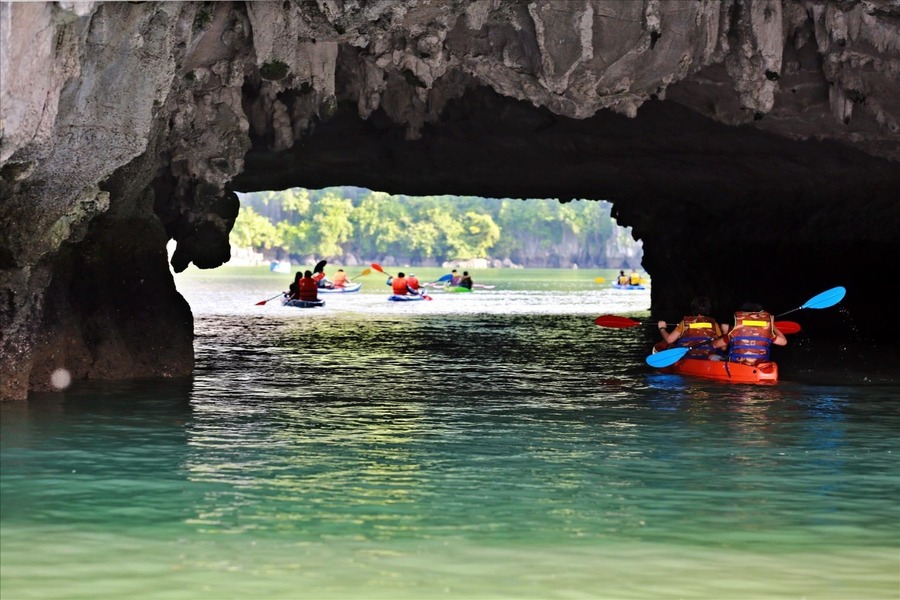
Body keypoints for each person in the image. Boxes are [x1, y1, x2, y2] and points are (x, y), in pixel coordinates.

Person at [713, 302, 786, 365]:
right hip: (759, 365)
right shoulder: (767, 332)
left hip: (738, 365)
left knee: (714, 356)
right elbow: (784, 342)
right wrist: (773, 326)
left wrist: (725, 332)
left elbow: (715, 345)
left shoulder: (735, 330)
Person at [657, 296, 725, 360]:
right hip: (707, 355)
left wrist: (662, 328)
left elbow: (669, 340)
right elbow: (723, 348)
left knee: (671, 346)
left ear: (693, 309)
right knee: (717, 350)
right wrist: (725, 332)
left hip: (688, 356)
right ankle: (715, 358)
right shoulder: (714, 324)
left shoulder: (685, 323)